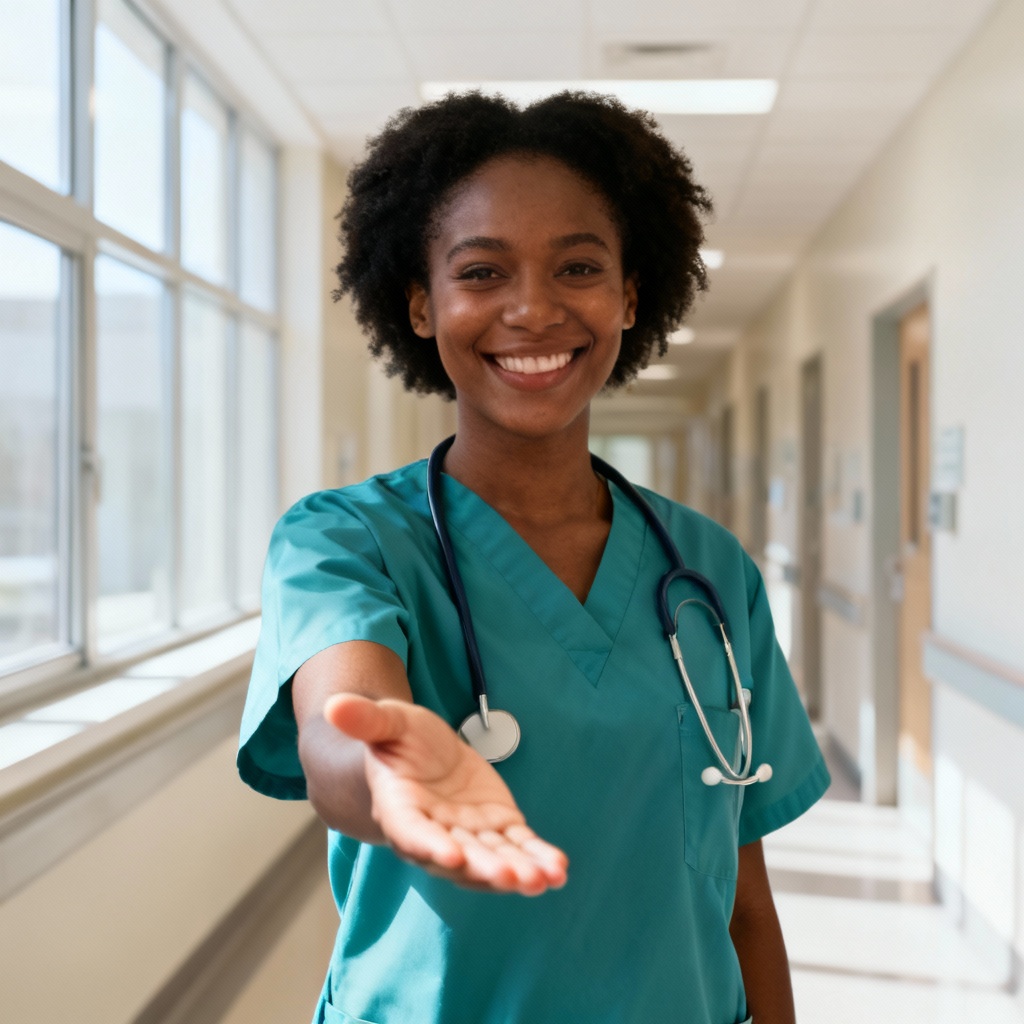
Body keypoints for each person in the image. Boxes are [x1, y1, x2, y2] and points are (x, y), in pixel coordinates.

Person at [237, 91, 830, 1024]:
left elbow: (744, 901)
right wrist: (387, 772)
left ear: (631, 294)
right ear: (423, 305)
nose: (533, 308)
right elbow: (341, 727)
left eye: (579, 266)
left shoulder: (709, 570)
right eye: (481, 272)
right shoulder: (347, 539)